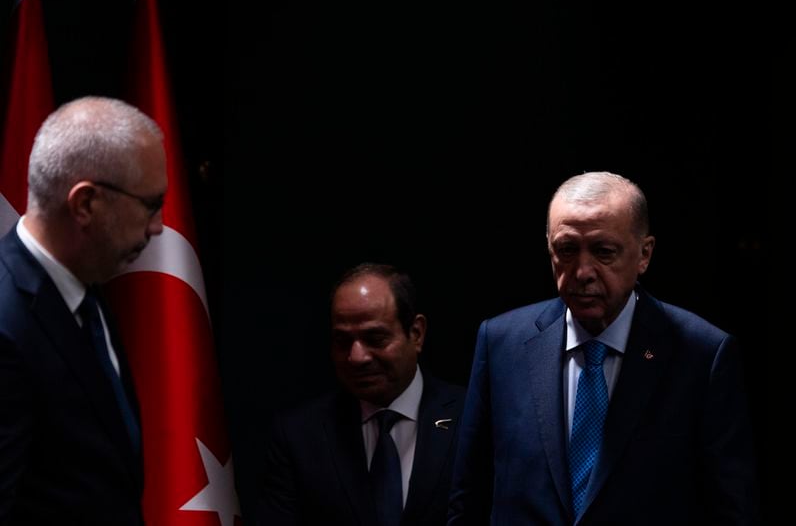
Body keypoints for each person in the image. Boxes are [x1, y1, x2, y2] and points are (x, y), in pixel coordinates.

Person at [448, 171, 758, 525]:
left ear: (644, 254)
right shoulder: (502, 343)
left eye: (603, 252)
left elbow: (732, 509)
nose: (582, 271)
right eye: (566, 249)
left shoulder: (701, 355)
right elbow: (468, 498)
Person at [0, 96, 166, 524]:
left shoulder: (83, 283)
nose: (158, 227)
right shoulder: (6, 322)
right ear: (86, 204)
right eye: (150, 205)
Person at [261, 263, 465, 526]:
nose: (357, 357)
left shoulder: (471, 419)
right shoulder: (299, 436)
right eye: (343, 341)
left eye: (375, 337)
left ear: (416, 333)